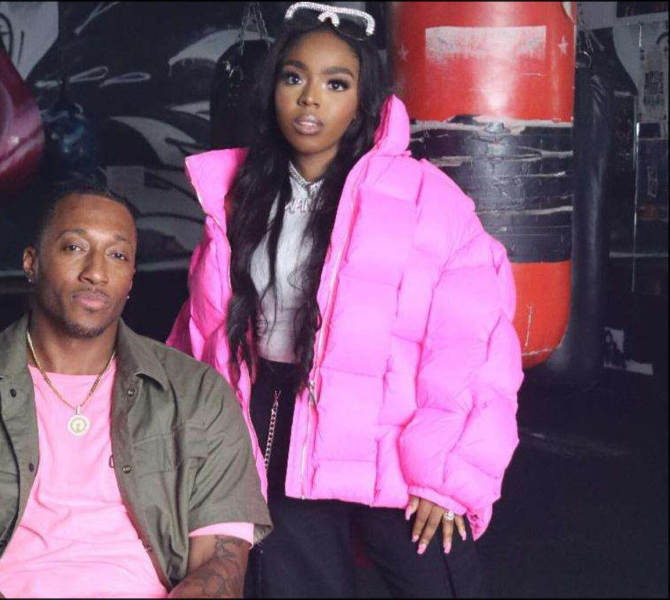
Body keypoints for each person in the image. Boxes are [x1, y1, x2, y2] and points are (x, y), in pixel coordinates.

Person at [167, 3, 524, 598]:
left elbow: (475, 340)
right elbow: (203, 330)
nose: (311, 98)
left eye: (336, 84)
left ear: (363, 101)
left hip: (395, 439)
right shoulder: (237, 195)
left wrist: (448, 474)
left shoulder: (425, 198)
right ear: (273, 90)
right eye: (294, 78)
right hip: (278, 427)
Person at [0, 183, 272, 598]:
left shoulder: (199, 395)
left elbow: (222, 565)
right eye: (74, 247)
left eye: (117, 255)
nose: (96, 272)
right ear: (32, 263)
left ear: (131, 278)